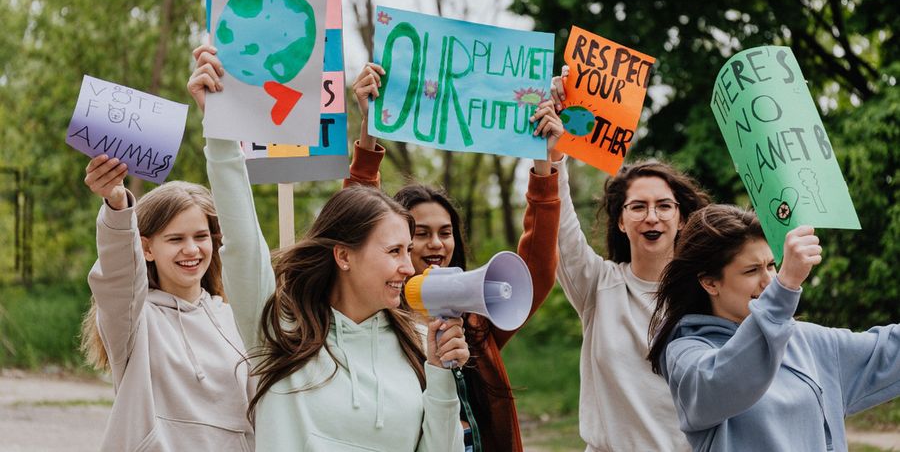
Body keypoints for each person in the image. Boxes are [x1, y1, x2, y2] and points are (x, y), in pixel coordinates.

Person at [188, 45, 468, 451]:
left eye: (408, 251)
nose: (409, 266)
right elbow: (244, 241)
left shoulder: (419, 345)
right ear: (343, 255)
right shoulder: (278, 331)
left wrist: (441, 373)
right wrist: (220, 130)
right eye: (394, 252)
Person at [349, 62, 562, 452]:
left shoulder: (477, 319)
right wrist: (369, 128)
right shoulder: (374, 316)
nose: (436, 244)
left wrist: (543, 163)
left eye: (445, 233)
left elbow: (535, 270)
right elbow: (358, 220)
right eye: (420, 234)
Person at [547, 68, 710, 451]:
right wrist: (554, 155)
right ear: (621, 220)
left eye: (663, 206)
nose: (651, 217)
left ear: (681, 217)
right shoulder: (596, 285)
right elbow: (558, 223)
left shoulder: (709, 291)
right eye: (638, 207)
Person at [647, 205, 900, 451]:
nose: (769, 280)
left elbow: (888, 351)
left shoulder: (805, 340)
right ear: (710, 283)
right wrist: (785, 285)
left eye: (771, 265)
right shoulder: (685, 353)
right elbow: (726, 380)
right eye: (751, 270)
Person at [79, 155, 254, 452]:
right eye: (175, 239)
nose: (191, 249)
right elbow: (119, 276)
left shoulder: (236, 319)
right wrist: (118, 206)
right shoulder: (134, 321)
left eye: (201, 236)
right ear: (146, 248)